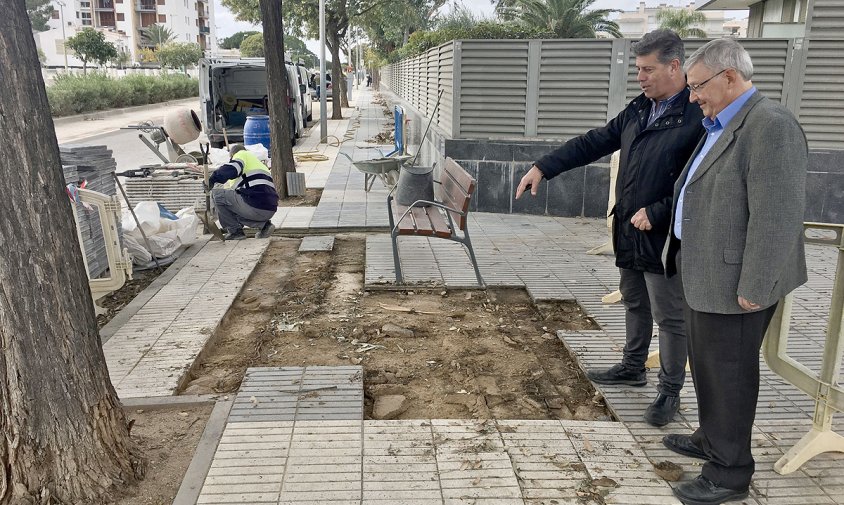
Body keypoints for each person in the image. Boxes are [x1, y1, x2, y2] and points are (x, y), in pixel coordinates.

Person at [515, 29, 705, 427]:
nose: (641, 77)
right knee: (634, 300)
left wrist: (661, 211)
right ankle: (633, 367)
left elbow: (703, 181)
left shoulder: (697, 114)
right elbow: (595, 141)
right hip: (629, 227)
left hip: (664, 235)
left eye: (648, 69)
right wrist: (543, 166)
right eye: (638, 69)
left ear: (675, 66)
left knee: (670, 317)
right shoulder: (640, 108)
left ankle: (670, 392)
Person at [661, 38, 808, 505]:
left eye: (698, 86)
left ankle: (728, 474)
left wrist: (757, 285)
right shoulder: (722, 122)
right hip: (706, 274)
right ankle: (711, 437)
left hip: (738, 283)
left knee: (730, 375)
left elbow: (777, 215)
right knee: (707, 367)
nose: (692, 96)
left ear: (729, 77)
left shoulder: (770, 125)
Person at [209, 144, 278, 240]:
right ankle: (264, 226)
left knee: (217, 195)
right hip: (268, 209)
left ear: (233, 155)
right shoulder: (258, 164)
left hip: (255, 205)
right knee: (230, 208)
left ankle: (235, 232)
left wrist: (211, 180)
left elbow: (232, 169)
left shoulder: (241, 155)